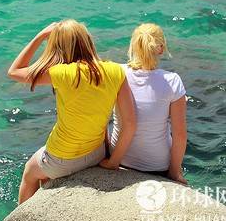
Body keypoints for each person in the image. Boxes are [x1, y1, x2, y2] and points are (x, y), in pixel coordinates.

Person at [7, 19, 136, 204]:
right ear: (88, 41)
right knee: (46, 176)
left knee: (30, 172)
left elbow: (14, 71)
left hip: (62, 158)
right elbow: (129, 123)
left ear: (60, 47)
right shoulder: (115, 71)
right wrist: (113, 161)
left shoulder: (61, 73)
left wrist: (40, 36)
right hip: (96, 154)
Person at [110, 23, 188, 185]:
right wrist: (174, 172)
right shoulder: (172, 81)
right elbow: (180, 135)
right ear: (160, 49)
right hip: (157, 165)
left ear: (133, 46)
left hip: (119, 157)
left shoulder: (116, 72)